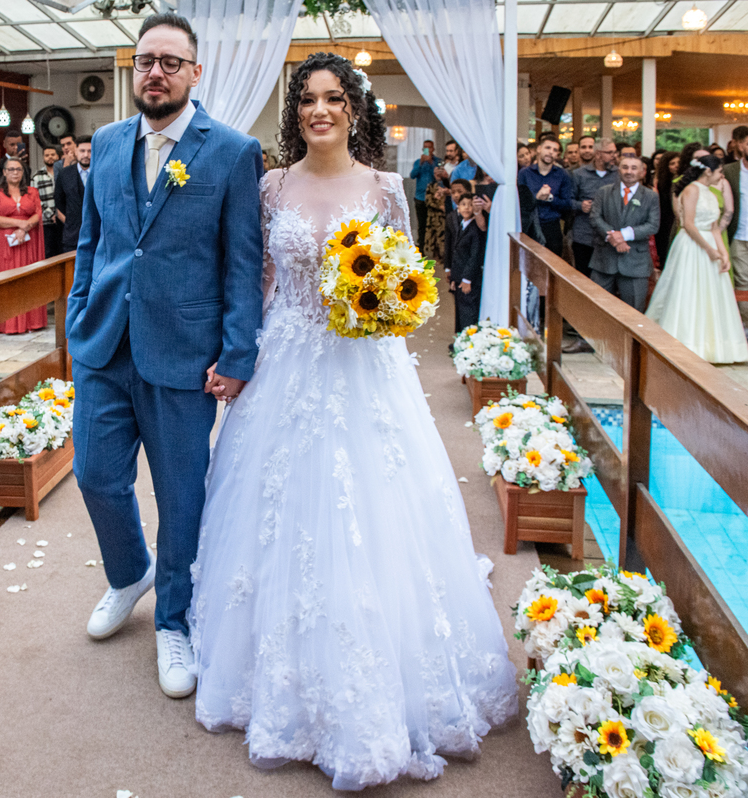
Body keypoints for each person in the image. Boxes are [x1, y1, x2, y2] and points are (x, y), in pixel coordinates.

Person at [190, 52, 516, 790]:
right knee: (278, 518)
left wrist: (387, 310)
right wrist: (233, 353)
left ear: (354, 108)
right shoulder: (269, 186)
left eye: (333, 98)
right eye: (307, 100)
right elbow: (257, 279)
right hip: (286, 363)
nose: (319, 111)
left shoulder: (385, 189)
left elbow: (406, 284)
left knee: (376, 513)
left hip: (366, 371)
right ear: (295, 111)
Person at [66, 12, 263, 701]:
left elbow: (241, 262)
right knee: (94, 476)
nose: (156, 72)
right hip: (103, 346)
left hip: (185, 352)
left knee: (182, 497)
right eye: (147, 60)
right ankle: (129, 573)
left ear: (194, 72)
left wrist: (239, 352)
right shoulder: (109, 141)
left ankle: (173, 621)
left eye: (170, 62)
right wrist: (76, 320)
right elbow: (91, 243)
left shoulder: (233, 152)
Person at [647, 154, 748, 364]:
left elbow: (714, 227)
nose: (722, 175)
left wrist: (722, 253)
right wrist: (708, 250)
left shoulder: (712, 193)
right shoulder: (691, 189)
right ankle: (684, 342)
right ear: (708, 171)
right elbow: (689, 224)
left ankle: (712, 345)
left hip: (709, 243)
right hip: (692, 245)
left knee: (711, 294)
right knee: (688, 291)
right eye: (720, 171)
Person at [588, 153, 660, 311]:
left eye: (634, 168)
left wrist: (624, 235)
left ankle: (630, 338)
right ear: (618, 170)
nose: (629, 171)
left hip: (635, 261)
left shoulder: (650, 196)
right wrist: (613, 237)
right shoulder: (604, 192)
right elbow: (595, 217)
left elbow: (652, 225)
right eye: (625, 167)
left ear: (642, 172)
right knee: (596, 307)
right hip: (604, 259)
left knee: (633, 310)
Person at [0, 156, 46, 335]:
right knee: (7, 279)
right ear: (4, 172)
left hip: (28, 241)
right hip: (4, 244)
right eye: (11, 169)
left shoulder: (32, 192)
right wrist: (20, 224)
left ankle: (31, 321)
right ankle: (7, 324)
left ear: (23, 172)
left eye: (18, 169)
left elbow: (37, 213)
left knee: (28, 279)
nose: (14, 173)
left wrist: (25, 228)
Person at [722, 127, 748, 336]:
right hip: (739, 234)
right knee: (742, 282)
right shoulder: (729, 171)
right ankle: (745, 325)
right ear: (740, 145)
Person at [518, 133, 574, 257]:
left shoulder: (563, 174)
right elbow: (519, 202)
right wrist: (536, 198)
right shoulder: (525, 173)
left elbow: (567, 204)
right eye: (547, 148)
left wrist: (550, 198)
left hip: (552, 226)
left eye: (555, 150)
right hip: (529, 226)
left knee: (553, 267)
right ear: (539, 149)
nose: (551, 152)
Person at [570, 138, 619, 275]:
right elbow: (568, 200)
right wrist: (580, 205)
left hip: (610, 236)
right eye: (609, 152)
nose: (614, 156)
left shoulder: (618, 174)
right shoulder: (579, 174)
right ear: (598, 154)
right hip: (584, 235)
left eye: (615, 152)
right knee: (583, 276)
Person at [448, 192, 488, 331]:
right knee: (460, 308)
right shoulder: (461, 224)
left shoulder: (475, 228)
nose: (466, 208)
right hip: (459, 274)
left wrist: (467, 278)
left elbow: (475, 255)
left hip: (469, 277)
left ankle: (468, 339)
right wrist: (454, 277)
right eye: (463, 204)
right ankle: (459, 338)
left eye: (470, 205)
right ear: (457, 207)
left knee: (468, 310)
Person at [53, 135, 91, 253]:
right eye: (82, 151)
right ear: (75, 151)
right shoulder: (65, 174)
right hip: (72, 236)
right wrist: (72, 218)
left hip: (98, 235)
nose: (86, 155)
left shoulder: (102, 173)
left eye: (90, 151)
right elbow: (59, 200)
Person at [32, 145, 62, 258]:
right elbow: (36, 200)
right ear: (43, 158)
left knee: (62, 252)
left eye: (52, 154)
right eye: (47, 155)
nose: (50, 157)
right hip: (46, 223)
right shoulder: (36, 177)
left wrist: (59, 215)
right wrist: (51, 215)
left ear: (58, 156)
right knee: (48, 253)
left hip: (63, 221)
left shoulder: (63, 173)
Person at [408, 139, 437, 241]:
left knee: (434, 224)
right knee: (422, 224)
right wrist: (421, 163)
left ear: (433, 149)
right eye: (425, 148)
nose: (427, 150)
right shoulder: (418, 162)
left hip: (434, 198)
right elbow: (412, 175)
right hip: (420, 197)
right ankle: (421, 246)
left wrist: (431, 162)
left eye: (429, 147)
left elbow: (439, 177)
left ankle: (433, 247)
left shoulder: (438, 161)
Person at [655, 152, 680, 268]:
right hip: (663, 222)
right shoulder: (659, 182)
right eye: (672, 163)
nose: (676, 166)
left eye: (678, 163)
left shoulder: (683, 181)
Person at [422, 166, 449, 263]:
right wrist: (439, 206)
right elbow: (428, 201)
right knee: (433, 237)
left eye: (439, 172)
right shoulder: (430, 185)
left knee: (444, 237)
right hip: (433, 217)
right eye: (435, 173)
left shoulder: (447, 186)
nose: (437, 175)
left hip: (445, 217)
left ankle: (445, 257)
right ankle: (436, 256)